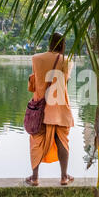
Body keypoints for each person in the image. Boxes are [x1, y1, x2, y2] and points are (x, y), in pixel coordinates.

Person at [25, 32, 74, 186]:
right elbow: (65, 81)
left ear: (50, 43)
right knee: (63, 142)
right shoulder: (67, 61)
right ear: (63, 44)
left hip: (40, 108)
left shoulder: (36, 59)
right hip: (60, 108)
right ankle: (64, 177)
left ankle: (35, 178)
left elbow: (33, 83)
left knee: (36, 141)